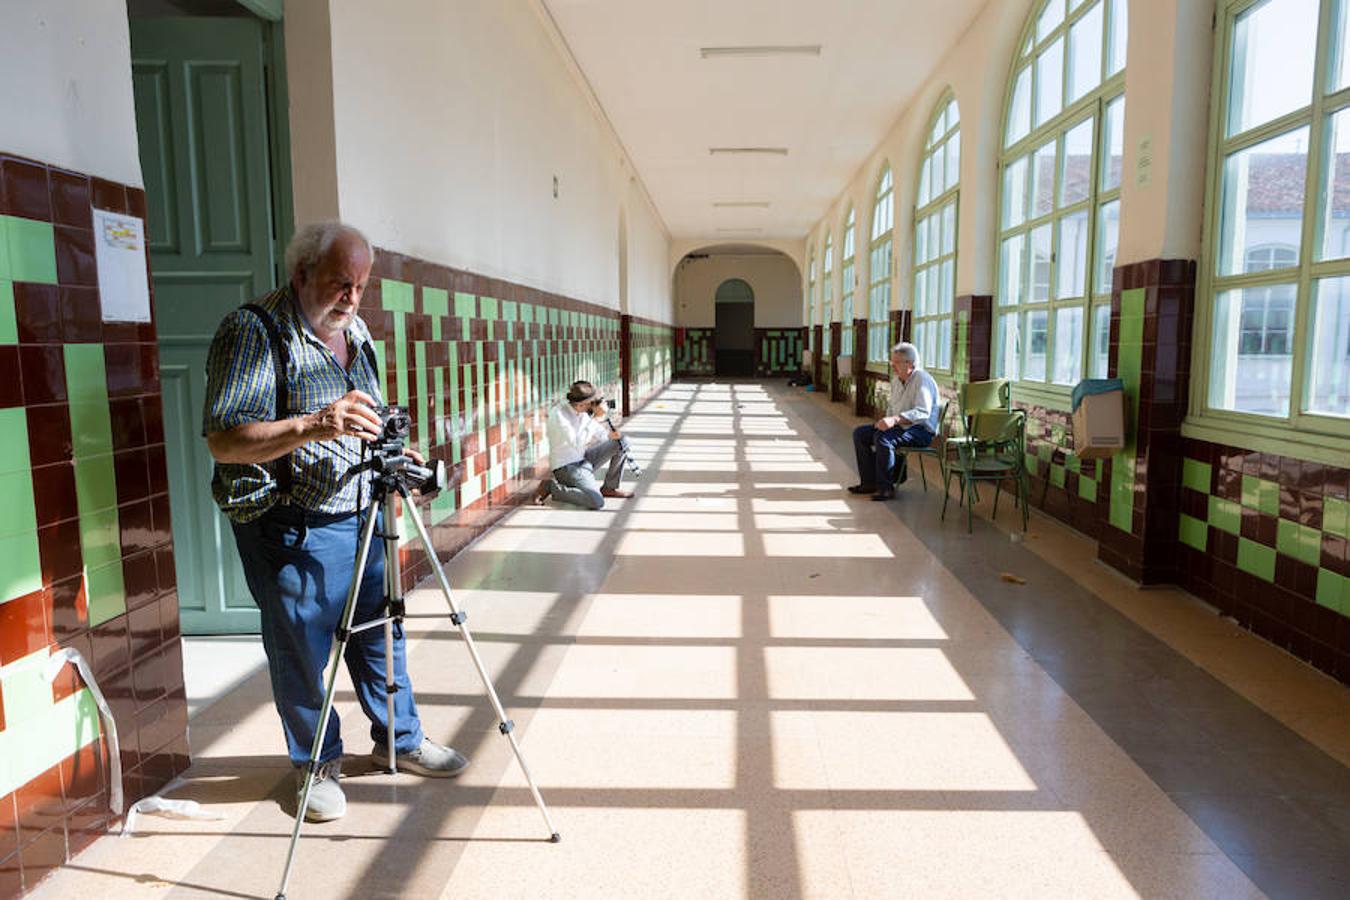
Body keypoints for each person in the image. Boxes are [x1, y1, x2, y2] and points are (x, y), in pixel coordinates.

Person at [202, 221, 468, 824]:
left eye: (360, 285)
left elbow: (365, 418)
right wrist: (317, 424)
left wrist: (400, 461)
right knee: (301, 647)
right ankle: (314, 765)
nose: (351, 298)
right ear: (300, 276)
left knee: (381, 632)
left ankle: (398, 738)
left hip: (363, 509)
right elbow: (225, 440)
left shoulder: (356, 329)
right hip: (290, 523)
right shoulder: (255, 330)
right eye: (338, 284)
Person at [849, 342, 939, 501]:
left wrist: (894, 420)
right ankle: (869, 482)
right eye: (892, 362)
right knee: (860, 434)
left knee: (883, 438)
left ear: (909, 364)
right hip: (901, 426)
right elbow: (892, 408)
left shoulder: (922, 379)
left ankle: (885, 488)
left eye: (896, 362)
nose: (893, 366)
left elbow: (923, 412)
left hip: (920, 430)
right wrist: (885, 421)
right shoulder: (897, 381)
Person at [534, 381, 633, 509]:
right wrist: (595, 418)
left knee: (622, 442)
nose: (592, 406)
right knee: (596, 502)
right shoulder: (559, 415)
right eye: (590, 404)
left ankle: (609, 487)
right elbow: (576, 443)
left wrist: (611, 435)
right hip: (567, 467)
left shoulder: (581, 411)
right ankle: (551, 487)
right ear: (581, 404)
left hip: (583, 459)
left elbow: (600, 434)